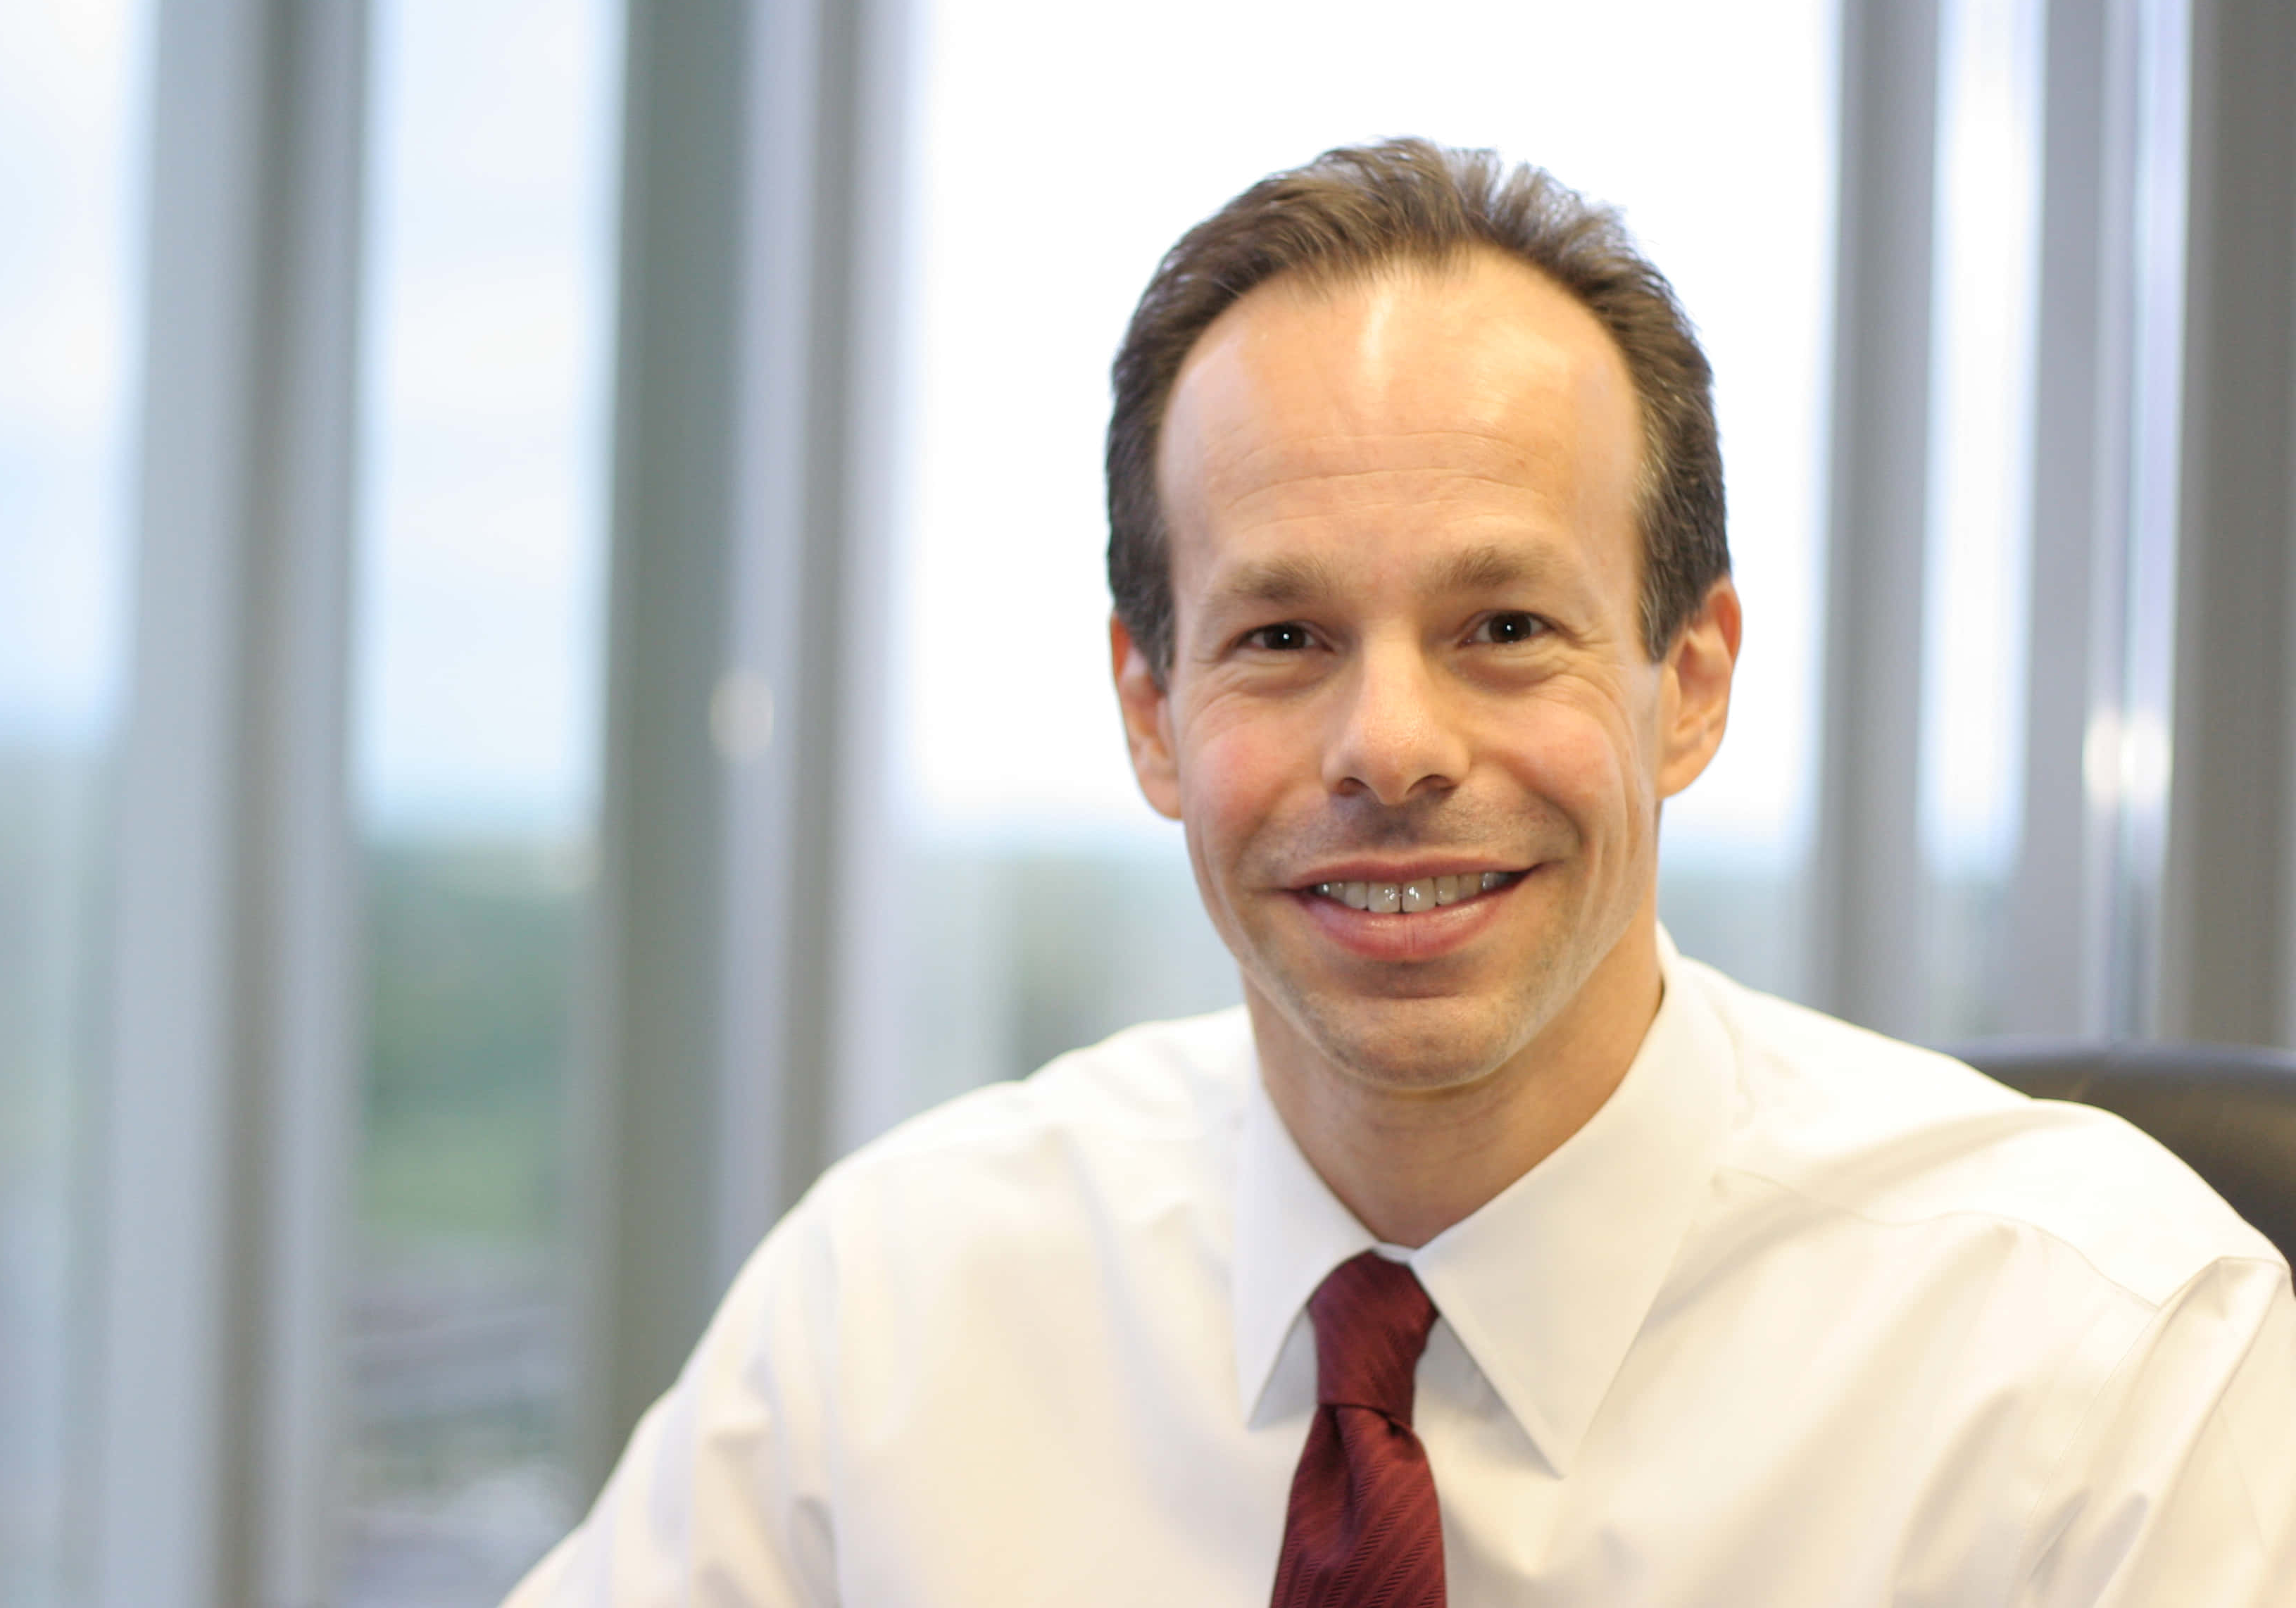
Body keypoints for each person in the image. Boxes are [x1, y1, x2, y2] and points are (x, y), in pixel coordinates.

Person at [505, 139, 2296, 1604]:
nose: (1392, 746)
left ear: (1690, 681)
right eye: (1281, 637)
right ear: (1151, 711)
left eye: (1505, 625)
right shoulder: (897, 1304)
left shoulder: (2106, 1364)